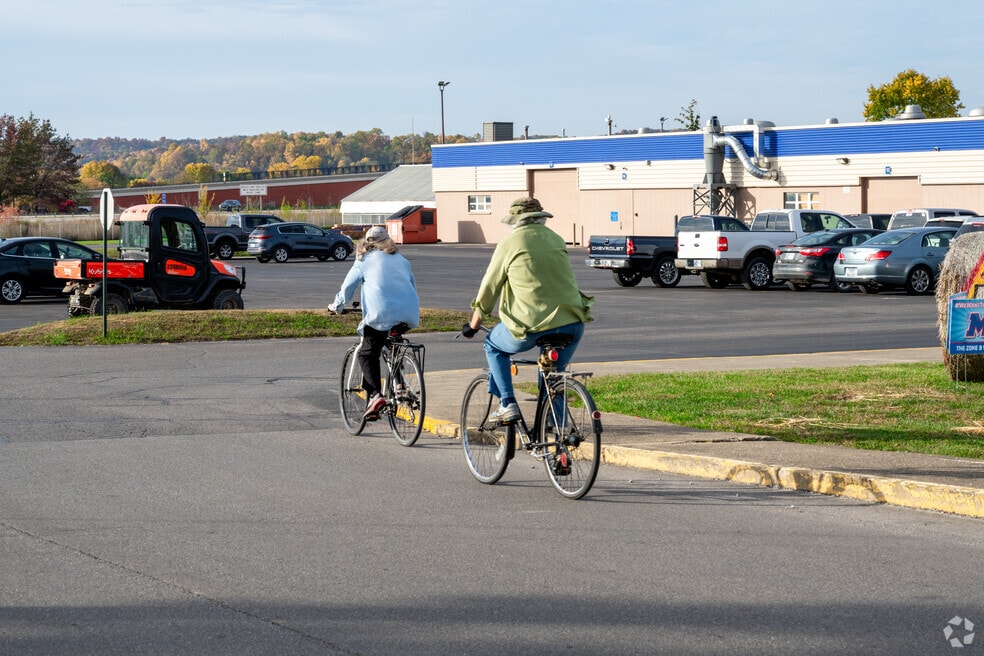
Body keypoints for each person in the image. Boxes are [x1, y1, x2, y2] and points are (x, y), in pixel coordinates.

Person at [461, 197, 594, 422]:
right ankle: (557, 433)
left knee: (493, 347)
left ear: (515, 220)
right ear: (541, 218)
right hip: (572, 321)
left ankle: (507, 403)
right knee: (554, 376)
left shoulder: (510, 243)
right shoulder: (556, 239)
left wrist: (474, 325)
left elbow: (489, 287)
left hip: (531, 324)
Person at [329, 226, 420, 419]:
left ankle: (375, 396)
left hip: (381, 314)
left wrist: (336, 306)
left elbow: (347, 288)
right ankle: (400, 386)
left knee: (367, 353)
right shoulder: (402, 260)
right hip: (409, 313)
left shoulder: (363, 259)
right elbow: (411, 286)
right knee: (392, 344)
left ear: (366, 242)